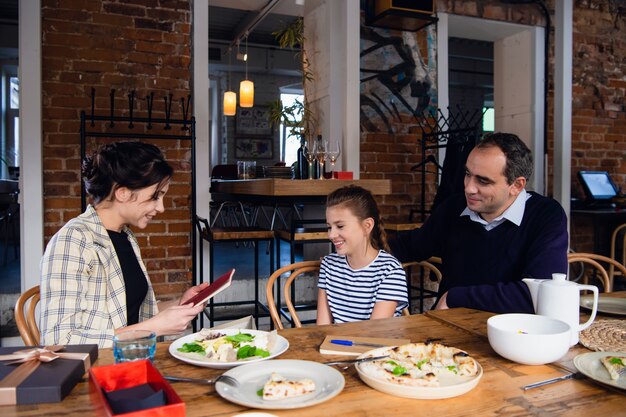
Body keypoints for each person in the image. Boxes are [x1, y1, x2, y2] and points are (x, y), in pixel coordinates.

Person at [40, 141, 207, 347]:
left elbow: (129, 314)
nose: (161, 208)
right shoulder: (73, 241)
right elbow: (58, 341)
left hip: (132, 360)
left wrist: (179, 304)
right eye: (155, 196)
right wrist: (154, 327)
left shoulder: (125, 236)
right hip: (98, 371)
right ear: (122, 192)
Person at [391, 132, 568, 314]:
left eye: (483, 181)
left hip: (517, 334)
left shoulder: (546, 215)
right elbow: (410, 246)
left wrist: (455, 297)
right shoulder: (453, 207)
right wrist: (364, 248)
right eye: (467, 174)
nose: (469, 188)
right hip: (450, 327)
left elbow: (540, 294)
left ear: (516, 185)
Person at [317, 185, 408, 325]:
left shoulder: (390, 270)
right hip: (335, 345)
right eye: (329, 227)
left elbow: (374, 334)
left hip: (375, 345)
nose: (331, 235)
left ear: (367, 226)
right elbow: (322, 327)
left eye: (340, 226)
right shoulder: (328, 265)